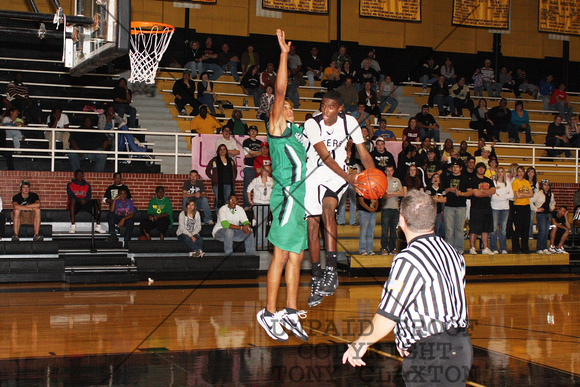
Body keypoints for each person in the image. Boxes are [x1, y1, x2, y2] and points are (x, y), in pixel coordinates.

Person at [342, 190, 472, 387]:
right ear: (433, 218)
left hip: (433, 354)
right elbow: (445, 301)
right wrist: (406, 339)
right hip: (461, 347)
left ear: (401, 220)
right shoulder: (452, 252)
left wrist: (359, 344)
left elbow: (389, 314)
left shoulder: (408, 258)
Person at [256, 30, 309, 343]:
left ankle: (289, 310)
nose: (289, 108)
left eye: (290, 106)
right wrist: (284, 55)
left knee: (297, 258)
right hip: (287, 198)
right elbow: (279, 91)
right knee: (280, 256)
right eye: (285, 106)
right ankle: (269, 311)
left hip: (300, 199)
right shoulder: (276, 126)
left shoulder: (297, 133)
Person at [303, 89, 374, 307]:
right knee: (312, 228)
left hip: (338, 175)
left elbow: (363, 153)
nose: (325, 110)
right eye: (323, 106)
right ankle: (316, 277)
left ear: (340, 108)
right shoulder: (312, 124)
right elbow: (324, 156)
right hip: (313, 175)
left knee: (328, 208)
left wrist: (373, 180)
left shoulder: (350, 121)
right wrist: (351, 179)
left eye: (330, 107)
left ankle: (331, 270)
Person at [443, 159, 472, 253]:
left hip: (461, 206)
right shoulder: (447, 178)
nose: (455, 169)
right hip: (449, 206)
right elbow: (442, 191)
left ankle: (459, 249)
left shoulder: (465, 178)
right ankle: (449, 249)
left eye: (457, 167)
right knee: (449, 229)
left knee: (459, 229)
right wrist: (449, 190)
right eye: (453, 167)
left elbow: (470, 192)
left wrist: (462, 194)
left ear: (461, 168)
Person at [468, 162, 495, 255]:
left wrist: (482, 191)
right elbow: (476, 193)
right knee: (474, 229)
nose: (481, 170)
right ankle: (472, 247)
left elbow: (493, 191)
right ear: (476, 169)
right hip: (476, 207)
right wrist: (487, 193)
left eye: (483, 168)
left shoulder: (489, 180)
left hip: (487, 207)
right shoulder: (473, 180)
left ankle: (485, 248)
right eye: (479, 168)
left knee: (486, 229)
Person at [66, 170, 105, 234]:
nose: (80, 177)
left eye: (81, 175)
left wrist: (85, 200)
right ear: (75, 176)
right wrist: (79, 200)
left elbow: (89, 196)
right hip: (76, 204)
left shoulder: (87, 185)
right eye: (78, 175)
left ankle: (98, 226)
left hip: (85, 202)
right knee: (73, 200)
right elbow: (70, 195)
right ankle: (73, 225)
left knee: (97, 201)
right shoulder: (70, 184)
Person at [247, 166, 273, 249]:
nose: (266, 172)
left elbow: (275, 190)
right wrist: (250, 201)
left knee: (264, 224)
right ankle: (258, 243)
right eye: (265, 170)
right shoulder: (256, 180)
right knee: (259, 224)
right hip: (257, 204)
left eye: (268, 171)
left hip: (267, 204)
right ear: (262, 171)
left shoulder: (271, 181)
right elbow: (248, 189)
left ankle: (262, 242)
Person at [205, 144, 237, 211]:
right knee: (219, 200)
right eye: (221, 149)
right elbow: (207, 171)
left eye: (224, 149)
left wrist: (233, 179)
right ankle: (218, 216)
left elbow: (235, 170)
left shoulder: (230, 160)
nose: (222, 151)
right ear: (218, 151)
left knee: (227, 200)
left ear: (226, 151)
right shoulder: (214, 160)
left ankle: (227, 215)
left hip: (228, 184)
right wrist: (213, 178)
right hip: (217, 185)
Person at [380, 165, 403, 255]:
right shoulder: (382, 180)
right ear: (385, 171)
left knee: (394, 230)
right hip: (385, 208)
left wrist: (391, 193)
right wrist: (394, 193)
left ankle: (392, 248)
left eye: (391, 170)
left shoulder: (396, 180)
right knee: (385, 230)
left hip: (395, 208)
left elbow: (401, 193)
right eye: (388, 170)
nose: (389, 172)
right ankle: (384, 248)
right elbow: (382, 194)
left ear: (393, 171)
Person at [490, 167, 513, 254]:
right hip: (495, 208)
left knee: (503, 229)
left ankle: (503, 248)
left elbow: (511, 195)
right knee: (494, 229)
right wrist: (504, 196)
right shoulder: (493, 183)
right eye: (498, 172)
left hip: (505, 209)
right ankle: (493, 248)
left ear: (504, 173)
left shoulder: (507, 183)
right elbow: (493, 196)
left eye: (502, 172)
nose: (500, 173)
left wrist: (501, 197)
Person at [530, 179, 555, 254]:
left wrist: (552, 207)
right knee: (542, 231)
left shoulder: (551, 194)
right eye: (545, 185)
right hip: (541, 215)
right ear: (542, 186)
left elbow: (553, 202)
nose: (546, 187)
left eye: (548, 185)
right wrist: (536, 209)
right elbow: (530, 201)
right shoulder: (538, 193)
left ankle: (544, 247)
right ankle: (539, 248)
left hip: (548, 214)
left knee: (546, 231)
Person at [511, 166, 533, 253]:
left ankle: (525, 248)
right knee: (517, 228)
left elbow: (531, 194)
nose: (520, 173)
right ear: (517, 172)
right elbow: (518, 196)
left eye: (522, 171)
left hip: (526, 206)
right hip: (518, 206)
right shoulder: (515, 182)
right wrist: (525, 194)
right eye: (519, 171)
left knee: (526, 228)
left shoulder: (526, 182)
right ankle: (516, 248)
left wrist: (522, 195)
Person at [425, 172, 446, 238]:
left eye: (437, 177)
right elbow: (428, 200)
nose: (436, 179)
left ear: (439, 180)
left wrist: (435, 199)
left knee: (438, 229)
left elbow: (445, 200)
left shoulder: (442, 189)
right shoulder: (428, 189)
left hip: (439, 212)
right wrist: (439, 199)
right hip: (430, 213)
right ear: (431, 180)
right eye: (434, 177)